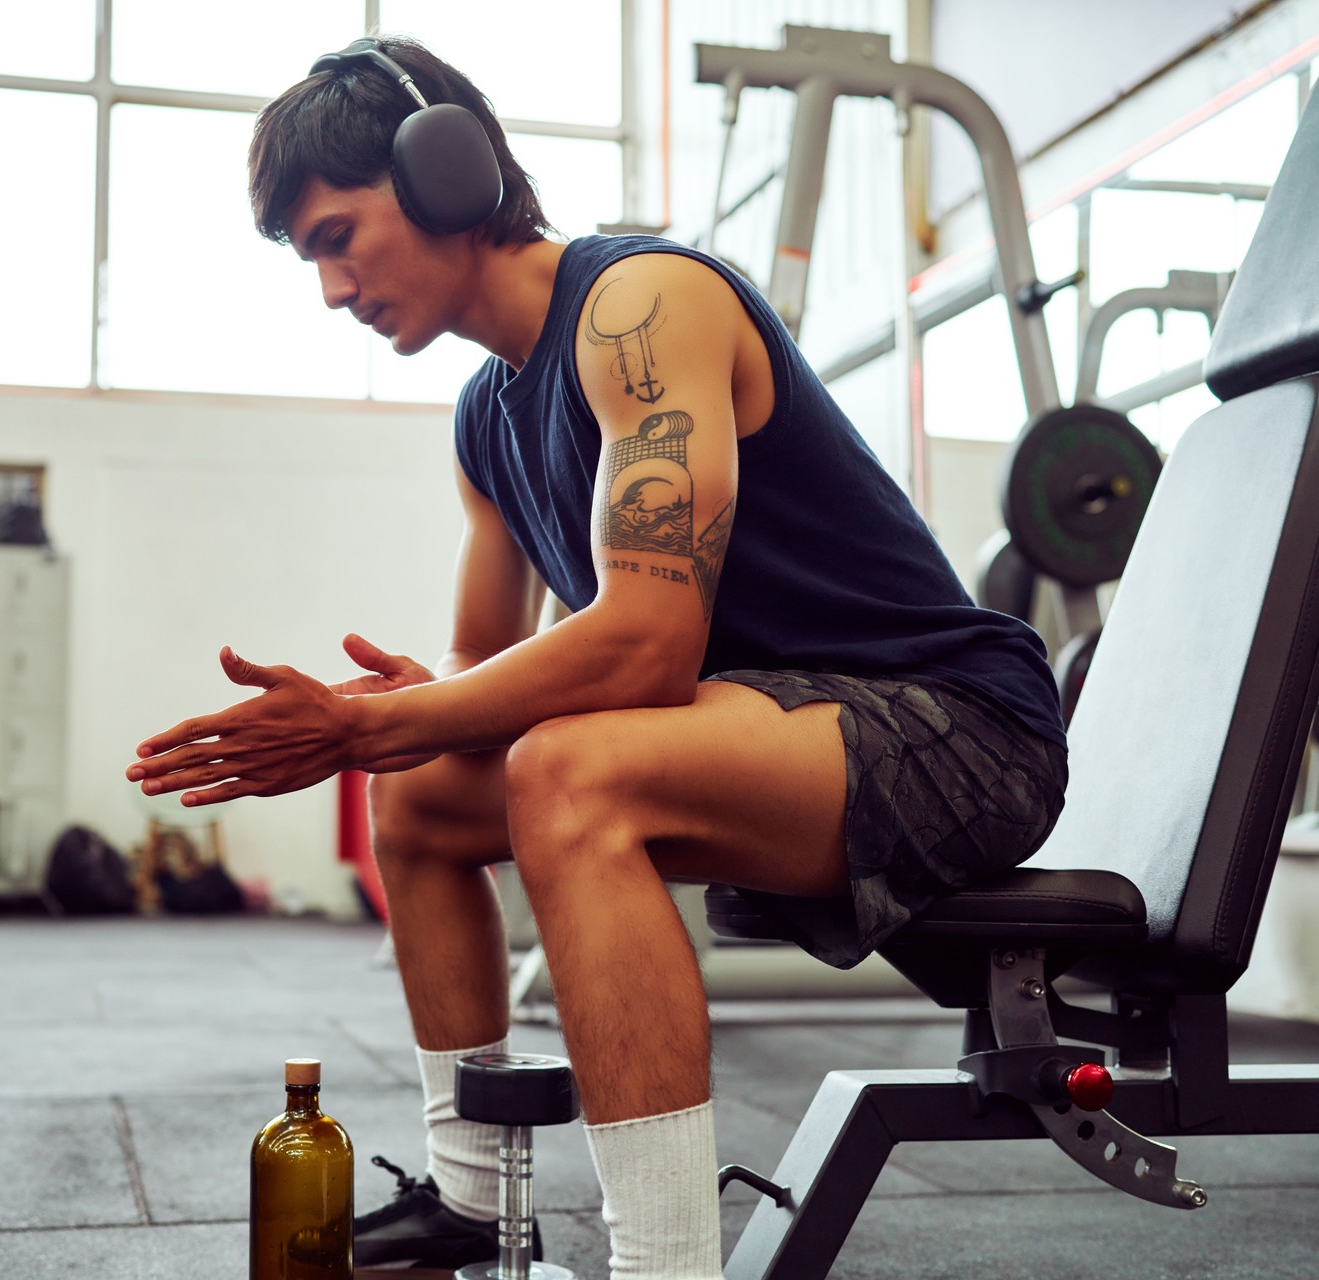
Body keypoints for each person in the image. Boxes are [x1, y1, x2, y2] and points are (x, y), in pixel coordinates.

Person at [130, 36, 1068, 1279]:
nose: (333, 290)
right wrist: (406, 712)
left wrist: (378, 723)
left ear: (444, 174)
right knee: (420, 788)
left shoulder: (641, 307)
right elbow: (481, 669)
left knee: (570, 771)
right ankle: (472, 1196)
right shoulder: (485, 417)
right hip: (769, 728)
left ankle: (666, 1265)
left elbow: (644, 635)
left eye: (338, 238)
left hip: (952, 726)